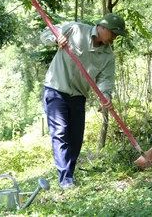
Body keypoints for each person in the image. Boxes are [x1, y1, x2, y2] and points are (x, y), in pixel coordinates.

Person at [40, 13, 127, 189]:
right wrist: (56, 39)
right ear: (102, 28)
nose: (115, 38)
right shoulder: (75, 29)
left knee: (75, 138)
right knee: (60, 132)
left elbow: (105, 80)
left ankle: (68, 176)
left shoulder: (108, 56)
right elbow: (45, 35)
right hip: (56, 89)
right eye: (114, 33)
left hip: (79, 96)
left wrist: (106, 97)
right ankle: (65, 179)